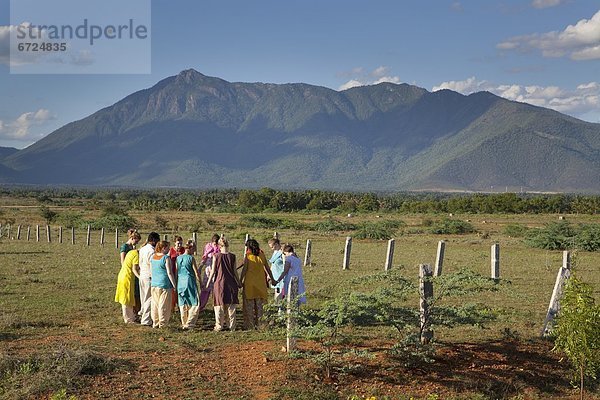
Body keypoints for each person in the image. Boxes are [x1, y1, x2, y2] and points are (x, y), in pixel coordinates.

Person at [207, 235, 241, 331]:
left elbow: (213, 271)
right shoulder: (232, 256)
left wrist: (208, 283)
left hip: (219, 283)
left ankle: (219, 326)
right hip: (231, 283)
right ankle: (232, 326)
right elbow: (235, 272)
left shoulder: (216, 256)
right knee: (231, 306)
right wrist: (239, 283)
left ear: (219, 246)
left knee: (219, 305)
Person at [240, 239, 275, 330]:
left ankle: (250, 325)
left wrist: (240, 280)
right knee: (261, 307)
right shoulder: (262, 255)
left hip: (249, 284)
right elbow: (267, 268)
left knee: (249, 307)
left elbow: (244, 270)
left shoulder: (248, 256)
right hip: (261, 284)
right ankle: (262, 325)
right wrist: (273, 279)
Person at [150, 240, 177, 328]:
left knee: (155, 304)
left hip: (154, 284)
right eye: (168, 248)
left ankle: (155, 322)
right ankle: (163, 323)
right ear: (164, 248)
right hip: (165, 284)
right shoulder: (166, 258)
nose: (169, 249)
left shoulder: (153, 257)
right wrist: (174, 284)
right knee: (164, 305)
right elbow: (169, 272)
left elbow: (151, 271)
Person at [176, 240, 201, 330]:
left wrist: (176, 283)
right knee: (195, 303)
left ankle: (184, 322)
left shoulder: (178, 258)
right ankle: (190, 323)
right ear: (190, 248)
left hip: (180, 282)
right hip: (189, 281)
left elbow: (176, 271)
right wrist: (201, 283)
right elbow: (196, 272)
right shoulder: (191, 258)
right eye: (193, 248)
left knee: (183, 303)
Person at [138, 232, 160, 327]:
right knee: (149, 298)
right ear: (154, 240)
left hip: (142, 274)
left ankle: (143, 315)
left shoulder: (142, 249)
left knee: (143, 297)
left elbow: (140, 262)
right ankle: (146, 319)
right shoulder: (151, 251)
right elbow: (151, 265)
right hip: (149, 276)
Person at [114, 247, 140, 323]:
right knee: (126, 299)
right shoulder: (136, 255)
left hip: (122, 275)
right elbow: (134, 269)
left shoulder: (131, 252)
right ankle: (128, 319)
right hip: (127, 277)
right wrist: (139, 276)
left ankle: (130, 316)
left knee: (126, 297)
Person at [119, 230, 141, 314]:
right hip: (128, 272)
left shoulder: (133, 247)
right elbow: (123, 262)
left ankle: (135, 310)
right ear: (132, 238)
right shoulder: (124, 247)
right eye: (136, 240)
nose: (137, 242)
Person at [199, 234, 220, 309]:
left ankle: (217, 307)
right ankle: (200, 306)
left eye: (217, 244)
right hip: (208, 270)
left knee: (216, 290)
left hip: (217, 271)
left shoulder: (220, 247)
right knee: (205, 289)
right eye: (215, 244)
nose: (216, 245)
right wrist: (200, 267)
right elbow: (204, 258)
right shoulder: (208, 246)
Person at [169, 236, 185, 311]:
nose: (180, 245)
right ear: (175, 243)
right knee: (173, 289)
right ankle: (172, 306)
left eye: (181, 243)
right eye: (178, 243)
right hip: (173, 270)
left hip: (181, 272)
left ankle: (180, 305)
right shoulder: (171, 250)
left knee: (180, 288)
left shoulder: (183, 250)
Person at [267, 238, 285, 303]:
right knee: (277, 293)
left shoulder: (283, 252)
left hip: (281, 276)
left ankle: (280, 309)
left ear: (276, 244)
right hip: (275, 275)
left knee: (281, 294)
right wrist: (269, 275)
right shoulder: (275, 252)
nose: (271, 249)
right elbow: (273, 264)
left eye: (272, 247)